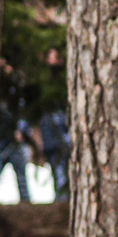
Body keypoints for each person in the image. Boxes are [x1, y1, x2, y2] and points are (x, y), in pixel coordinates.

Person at [0, 58, 32, 203]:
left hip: (15, 141)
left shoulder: (18, 87)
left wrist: (21, 130)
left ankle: (27, 208)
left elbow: (24, 110)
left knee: (22, 180)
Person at [38, 48, 70, 202]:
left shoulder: (64, 81)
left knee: (63, 178)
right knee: (59, 178)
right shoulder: (43, 83)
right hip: (52, 142)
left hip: (64, 140)